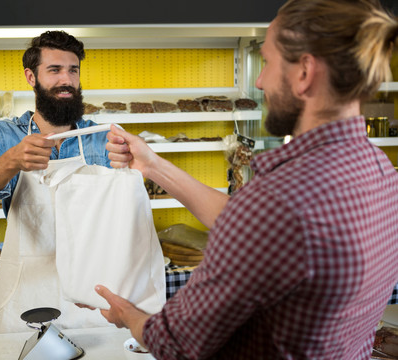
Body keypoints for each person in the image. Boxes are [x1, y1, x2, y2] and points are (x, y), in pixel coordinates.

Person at [90, 0, 398, 358]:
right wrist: (151, 165)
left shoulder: (278, 201)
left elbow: (176, 343)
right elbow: (247, 222)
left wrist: (128, 313)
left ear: (304, 73)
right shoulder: (380, 172)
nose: (259, 80)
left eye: (267, 62)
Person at [0, 30, 111, 333]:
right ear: (31, 77)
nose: (66, 79)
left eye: (73, 69)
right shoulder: (3, 134)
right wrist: (11, 160)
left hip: (91, 291)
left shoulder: (100, 136)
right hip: (27, 293)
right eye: (54, 70)